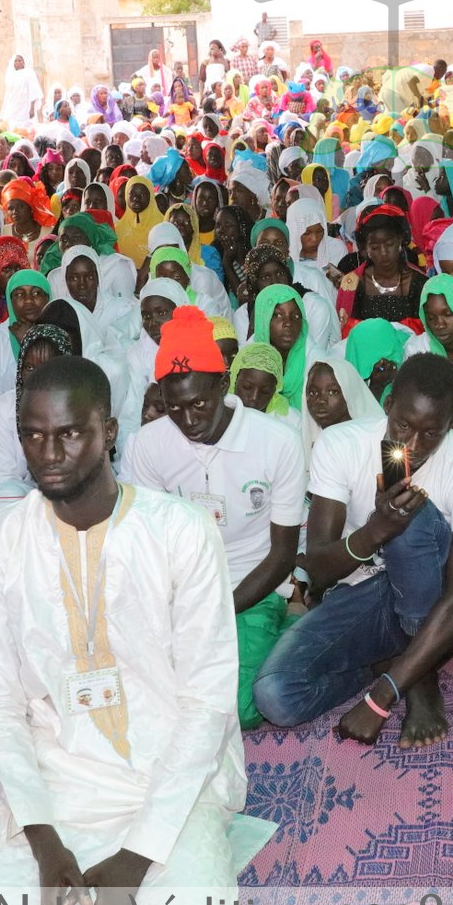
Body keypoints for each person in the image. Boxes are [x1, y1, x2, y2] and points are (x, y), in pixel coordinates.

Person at [0, 356, 248, 905]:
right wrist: (46, 847)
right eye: (33, 435)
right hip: (53, 786)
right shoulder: (0, 543)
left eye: (69, 433)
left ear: (109, 432)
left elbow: (207, 703)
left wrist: (135, 862)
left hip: (172, 784)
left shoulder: (181, 532)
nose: (48, 453)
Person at [253, 354, 453, 748]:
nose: (413, 445)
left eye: (431, 433)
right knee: (275, 696)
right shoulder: (340, 444)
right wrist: (375, 531)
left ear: (451, 424)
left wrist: (381, 699)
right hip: (358, 596)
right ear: (387, 405)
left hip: (428, 604)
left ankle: (411, 676)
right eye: (402, 425)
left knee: (413, 517)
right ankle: (400, 666)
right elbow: (317, 567)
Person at [117, 307, 306, 730]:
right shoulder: (146, 446)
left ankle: (293, 614)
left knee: (239, 709)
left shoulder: (277, 443)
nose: (188, 420)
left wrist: (217, 609)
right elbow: (145, 541)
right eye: (174, 407)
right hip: (181, 590)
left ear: (223, 384)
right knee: (141, 694)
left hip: (253, 585)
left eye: (199, 403)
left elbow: (282, 554)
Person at [1, 51, 42, 128]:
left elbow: (33, 91)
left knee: (28, 129)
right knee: (15, 129)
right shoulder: (10, 75)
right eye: (15, 61)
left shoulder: (29, 73)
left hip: (26, 108)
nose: (17, 62)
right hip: (14, 108)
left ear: (24, 62)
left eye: (20, 60)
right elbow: (8, 94)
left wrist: (32, 108)